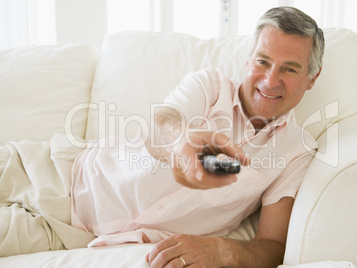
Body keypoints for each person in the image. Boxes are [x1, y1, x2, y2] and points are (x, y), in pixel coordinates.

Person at [71, 6, 324, 268]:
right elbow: (158, 124)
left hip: (125, 245)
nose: (271, 81)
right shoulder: (210, 87)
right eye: (263, 62)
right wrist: (180, 141)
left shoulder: (297, 151)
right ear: (249, 60)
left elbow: (273, 246)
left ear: (311, 79)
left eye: (290, 69)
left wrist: (224, 251)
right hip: (69, 186)